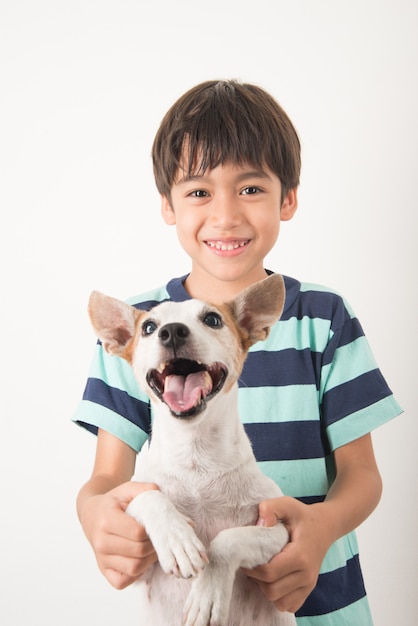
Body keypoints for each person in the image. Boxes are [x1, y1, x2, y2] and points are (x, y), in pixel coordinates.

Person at [74, 79, 402, 623]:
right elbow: (107, 480)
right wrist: (93, 517)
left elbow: (362, 475)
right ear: (167, 205)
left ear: (288, 197)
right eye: (199, 191)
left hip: (322, 604)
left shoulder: (323, 318)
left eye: (250, 189)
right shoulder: (141, 329)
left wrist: (320, 529)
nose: (225, 215)